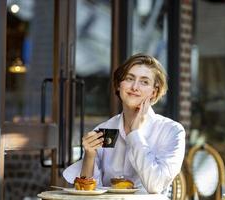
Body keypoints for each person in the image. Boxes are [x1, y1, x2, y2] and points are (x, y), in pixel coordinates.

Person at [63, 53, 186, 194]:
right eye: (129, 78)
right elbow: (86, 192)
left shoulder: (172, 131)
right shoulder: (104, 129)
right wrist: (89, 155)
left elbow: (155, 185)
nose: (134, 87)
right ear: (118, 85)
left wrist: (135, 134)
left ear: (154, 92)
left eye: (144, 82)